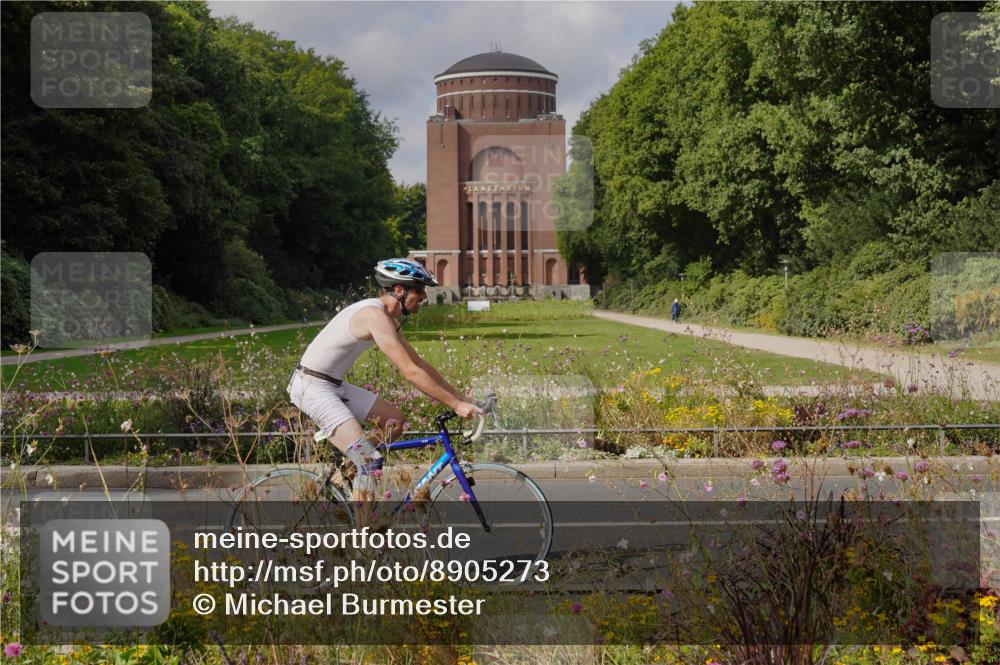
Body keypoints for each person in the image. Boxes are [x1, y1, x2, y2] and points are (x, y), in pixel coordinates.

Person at [288, 258, 483, 499]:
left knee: (395, 421)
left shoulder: (388, 319)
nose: (423, 296)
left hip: (331, 384)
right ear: (399, 290)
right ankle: (364, 531)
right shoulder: (373, 315)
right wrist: (455, 405)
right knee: (369, 462)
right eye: (419, 290)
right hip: (312, 387)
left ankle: (343, 473)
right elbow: (410, 372)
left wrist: (462, 398)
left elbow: (419, 363)